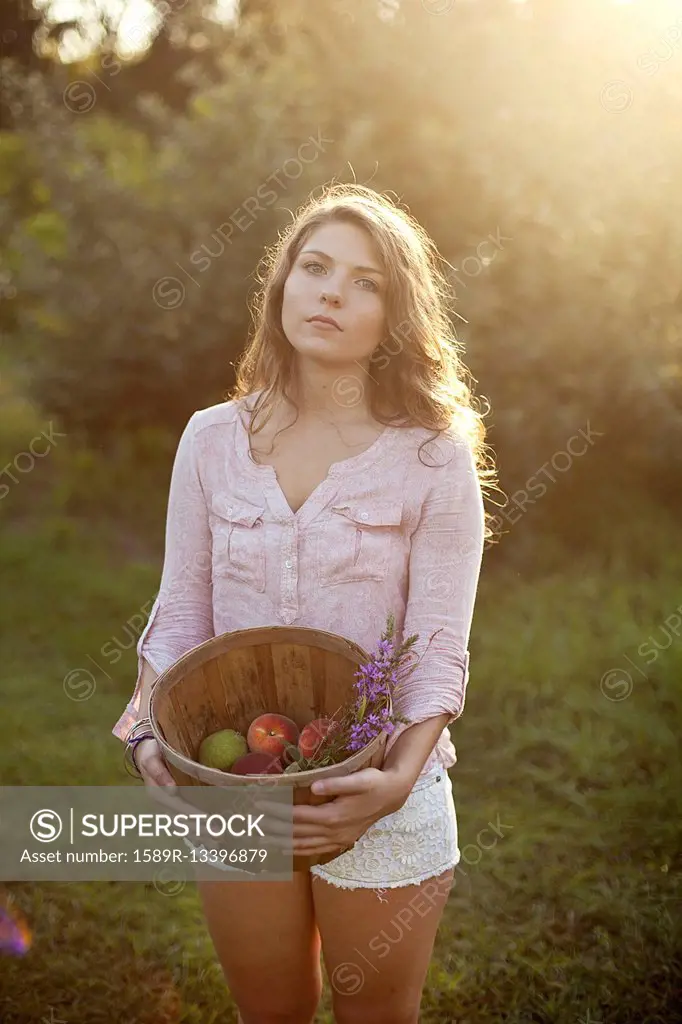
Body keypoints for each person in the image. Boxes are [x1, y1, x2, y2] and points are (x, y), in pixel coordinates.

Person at [112, 182, 496, 1024]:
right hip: (235, 783)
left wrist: (393, 782)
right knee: (271, 1012)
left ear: (395, 317)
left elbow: (437, 646)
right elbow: (180, 610)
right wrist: (147, 728)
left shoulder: (433, 459)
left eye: (365, 282)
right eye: (314, 267)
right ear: (280, 286)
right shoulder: (211, 439)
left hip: (378, 788)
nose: (331, 291)